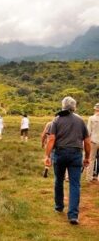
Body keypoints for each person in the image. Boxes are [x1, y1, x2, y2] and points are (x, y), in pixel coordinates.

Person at [45, 96, 91, 225]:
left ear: (63, 106)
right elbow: (87, 142)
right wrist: (87, 157)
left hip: (60, 153)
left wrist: (47, 156)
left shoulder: (56, 120)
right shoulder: (80, 120)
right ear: (74, 106)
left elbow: (51, 139)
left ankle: (59, 207)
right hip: (76, 154)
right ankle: (73, 216)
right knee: (75, 184)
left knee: (58, 181)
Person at [86, 103, 99, 182]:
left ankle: (89, 177)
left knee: (91, 160)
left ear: (95, 109)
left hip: (93, 141)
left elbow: (88, 131)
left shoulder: (91, 118)